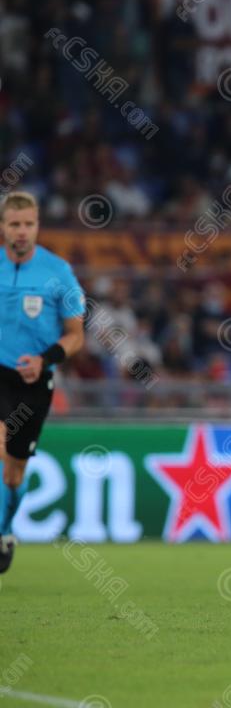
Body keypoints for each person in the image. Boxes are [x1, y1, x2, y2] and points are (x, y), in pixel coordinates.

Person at [0, 191, 86, 572]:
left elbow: (75, 335)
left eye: (28, 224)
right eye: (14, 224)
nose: (22, 231)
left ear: (37, 226)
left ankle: (5, 529)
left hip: (34, 382)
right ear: (3, 227)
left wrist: (44, 360)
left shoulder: (58, 272)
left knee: (13, 473)